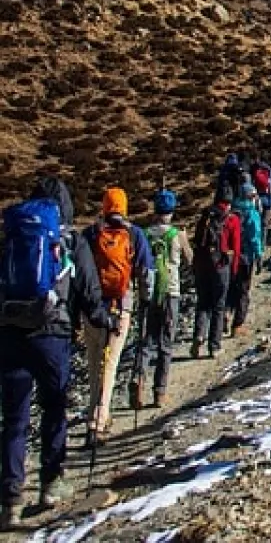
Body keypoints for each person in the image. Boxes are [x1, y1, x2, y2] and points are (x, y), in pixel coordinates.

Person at [0, 177, 111, 528]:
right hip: (53, 335)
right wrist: (102, 320)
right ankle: (50, 484)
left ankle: (10, 499)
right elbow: (90, 291)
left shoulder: (14, 237)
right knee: (54, 408)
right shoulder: (71, 241)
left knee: (14, 419)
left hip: (11, 334)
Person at [80, 187, 153, 446]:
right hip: (120, 307)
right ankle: (97, 423)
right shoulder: (134, 234)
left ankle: (98, 413)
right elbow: (146, 272)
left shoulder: (90, 235)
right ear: (124, 207)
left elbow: (79, 271)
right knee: (108, 365)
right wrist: (146, 298)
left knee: (94, 362)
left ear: (104, 206)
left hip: (92, 309)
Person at [131, 189, 192, 410]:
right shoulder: (177, 235)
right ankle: (159, 392)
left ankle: (138, 382)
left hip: (147, 294)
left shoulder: (144, 235)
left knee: (145, 341)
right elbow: (189, 259)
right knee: (166, 343)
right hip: (170, 292)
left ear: (155, 211)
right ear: (172, 211)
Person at [191, 186, 241, 359]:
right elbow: (236, 246)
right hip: (220, 266)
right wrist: (234, 269)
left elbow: (197, 242)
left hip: (203, 265)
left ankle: (198, 335)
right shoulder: (232, 220)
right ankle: (214, 345)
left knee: (203, 302)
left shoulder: (206, 216)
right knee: (219, 306)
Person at [228, 183, 263, 338]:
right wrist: (258, 255)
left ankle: (225, 314)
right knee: (243, 290)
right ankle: (238, 324)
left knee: (230, 288)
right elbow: (254, 237)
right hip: (245, 256)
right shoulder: (251, 214)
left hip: (228, 256)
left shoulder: (231, 211)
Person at [247, 153, 271, 230]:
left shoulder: (252, 171)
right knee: (264, 225)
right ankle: (262, 241)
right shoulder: (270, 173)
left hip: (255, 201)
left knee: (254, 225)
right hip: (268, 202)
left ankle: (254, 241)